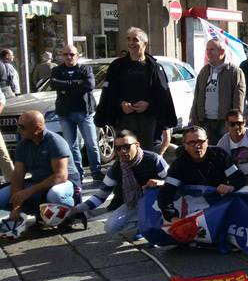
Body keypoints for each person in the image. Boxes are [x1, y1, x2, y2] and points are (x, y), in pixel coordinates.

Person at [94, 27, 178, 152]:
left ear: (144, 43)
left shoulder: (153, 67)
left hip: (147, 120)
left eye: (135, 40)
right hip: (123, 119)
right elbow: (110, 93)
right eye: (128, 39)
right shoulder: (117, 66)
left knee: (145, 154)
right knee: (125, 153)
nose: (131, 43)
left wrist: (148, 104)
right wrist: (121, 103)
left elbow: (163, 96)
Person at [73, 131, 167, 233]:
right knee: (110, 227)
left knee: (153, 196)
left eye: (126, 146)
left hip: (158, 200)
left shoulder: (154, 159)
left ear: (137, 145)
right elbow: (100, 196)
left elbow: (175, 181)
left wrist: (160, 183)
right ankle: (142, 227)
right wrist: (75, 210)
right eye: (118, 148)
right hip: (134, 203)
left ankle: (158, 224)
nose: (122, 151)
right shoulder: (116, 169)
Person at [0, 111, 82, 226]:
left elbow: (60, 176)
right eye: (18, 126)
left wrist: (29, 191)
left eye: (22, 127)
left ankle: (70, 215)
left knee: (55, 195)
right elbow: (18, 176)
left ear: (38, 128)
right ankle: (40, 214)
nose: (18, 130)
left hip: (64, 184)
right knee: (2, 196)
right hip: (39, 184)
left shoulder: (55, 142)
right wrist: (16, 207)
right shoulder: (22, 145)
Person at [157, 127, 245, 221]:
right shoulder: (178, 165)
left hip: (221, 210)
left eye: (200, 141)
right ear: (185, 145)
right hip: (194, 214)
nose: (197, 146)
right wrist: (172, 217)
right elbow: (166, 193)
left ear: (207, 142)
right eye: (191, 142)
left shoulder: (220, 155)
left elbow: (239, 178)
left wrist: (230, 186)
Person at [48, 45, 101, 181]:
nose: (69, 57)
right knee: (71, 146)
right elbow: (53, 84)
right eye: (65, 54)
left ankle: (96, 172)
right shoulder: (57, 70)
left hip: (84, 111)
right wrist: (76, 83)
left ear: (77, 55)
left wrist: (66, 89)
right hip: (65, 113)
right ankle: (77, 174)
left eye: (72, 54)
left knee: (91, 143)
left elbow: (89, 85)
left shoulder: (85, 69)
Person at [189, 39, 246, 144]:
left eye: (212, 49)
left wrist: (235, 121)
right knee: (208, 149)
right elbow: (197, 96)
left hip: (225, 121)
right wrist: (194, 118)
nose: (208, 52)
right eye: (207, 49)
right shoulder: (204, 71)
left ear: (222, 51)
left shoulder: (234, 71)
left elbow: (239, 98)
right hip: (205, 120)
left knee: (225, 148)